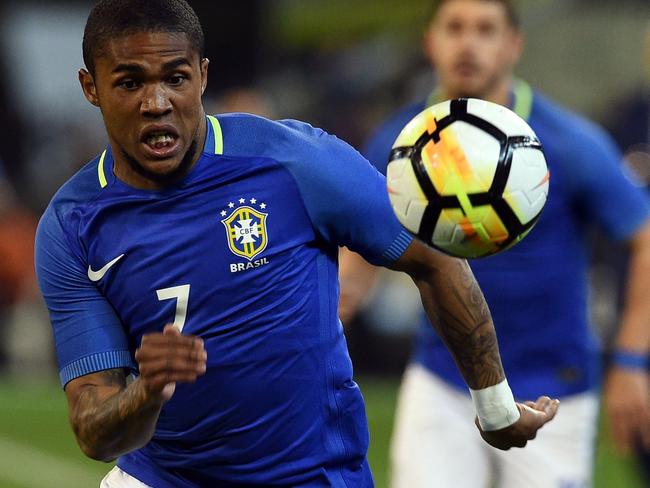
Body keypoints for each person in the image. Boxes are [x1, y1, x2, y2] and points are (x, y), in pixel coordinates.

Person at [33, 1, 558, 487]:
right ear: (90, 87)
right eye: (129, 83)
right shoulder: (73, 226)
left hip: (313, 476)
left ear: (203, 76)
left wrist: (495, 408)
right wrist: (145, 392)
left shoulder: (293, 161)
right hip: (161, 478)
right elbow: (93, 431)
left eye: (176, 78)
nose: (156, 103)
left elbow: (433, 260)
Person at [339, 1, 650, 487]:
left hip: (553, 387)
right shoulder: (401, 143)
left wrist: (632, 361)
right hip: (443, 380)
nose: (468, 44)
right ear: (430, 43)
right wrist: (325, 321)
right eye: (455, 28)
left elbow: (643, 237)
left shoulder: (569, 142)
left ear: (513, 45)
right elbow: (356, 258)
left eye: (486, 30)